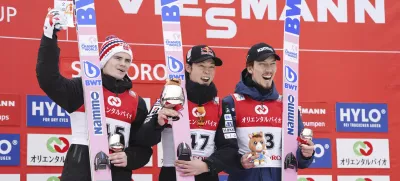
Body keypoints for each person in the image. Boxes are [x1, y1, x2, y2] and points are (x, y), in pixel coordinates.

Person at [36, 9, 152, 181]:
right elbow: (48, 79)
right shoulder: (82, 89)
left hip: (118, 174)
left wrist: (130, 157)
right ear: (104, 60)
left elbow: (143, 146)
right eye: (117, 58)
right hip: (80, 171)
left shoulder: (137, 102)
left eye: (127, 60)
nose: (123, 64)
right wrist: (49, 35)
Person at [136, 45, 239, 181]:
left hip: (206, 175)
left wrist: (206, 165)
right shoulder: (169, 99)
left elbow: (229, 148)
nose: (207, 72)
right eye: (201, 66)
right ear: (188, 68)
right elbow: (143, 139)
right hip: (172, 174)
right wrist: (157, 122)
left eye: (211, 67)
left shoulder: (220, 105)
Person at [220, 43, 315, 181]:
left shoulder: (287, 105)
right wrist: (239, 162)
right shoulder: (231, 102)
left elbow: (300, 156)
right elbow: (222, 151)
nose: (268, 69)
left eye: (272, 64)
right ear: (250, 68)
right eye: (263, 64)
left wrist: (306, 153)